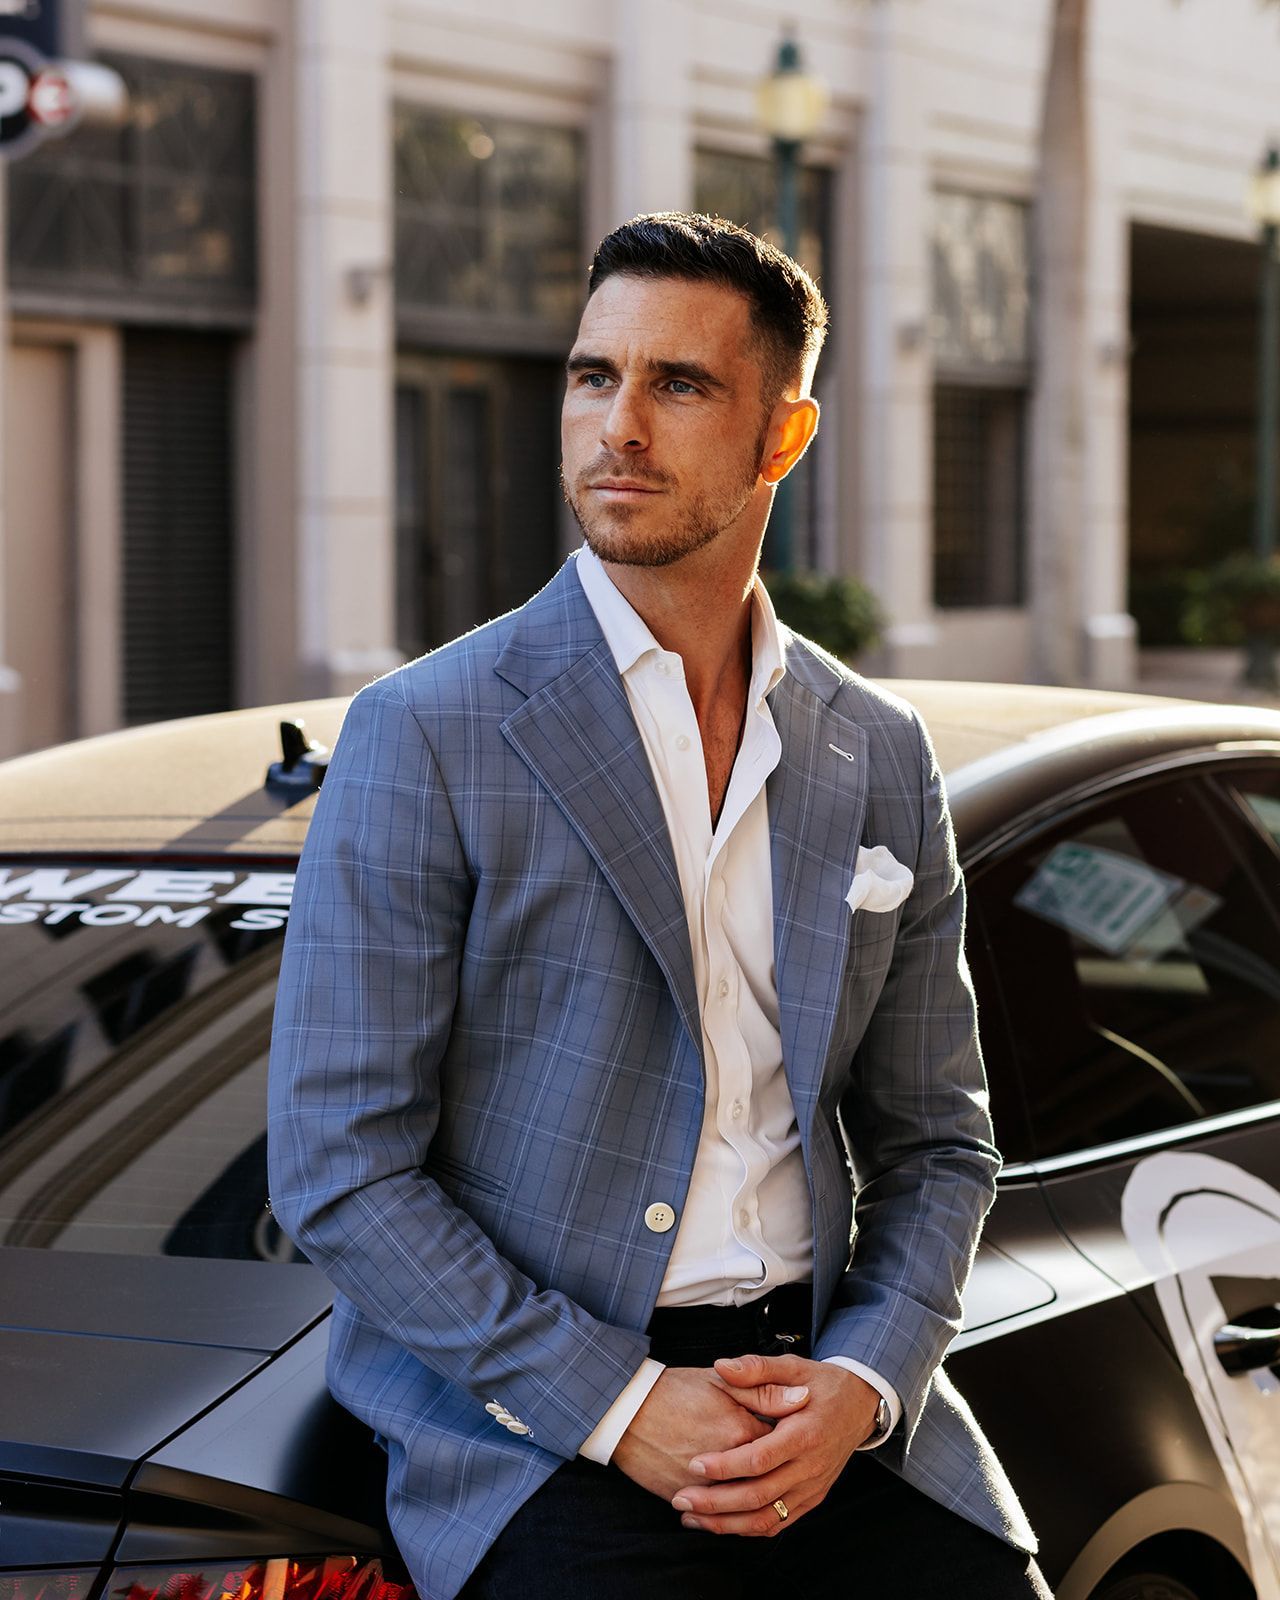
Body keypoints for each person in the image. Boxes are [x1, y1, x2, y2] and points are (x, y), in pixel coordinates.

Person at [268, 211, 1050, 1600]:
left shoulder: (877, 750)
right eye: (592, 376)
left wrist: (864, 1382)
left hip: (828, 1408)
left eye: (678, 385)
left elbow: (939, 1145)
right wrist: (622, 1405)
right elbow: (341, 1165)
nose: (618, 424)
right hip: (544, 1429)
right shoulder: (429, 732)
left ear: (783, 439)